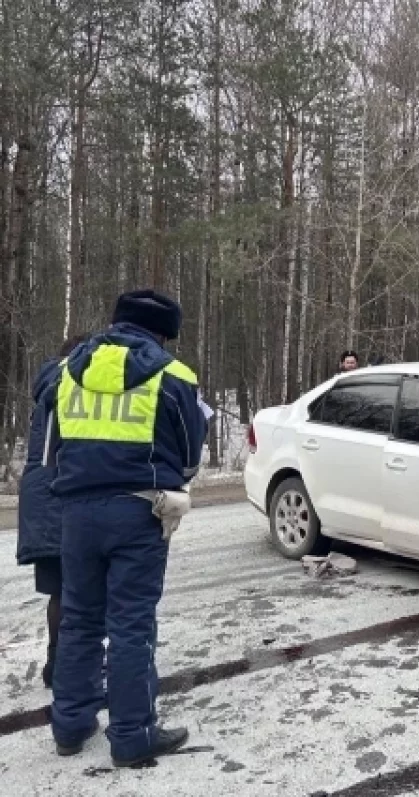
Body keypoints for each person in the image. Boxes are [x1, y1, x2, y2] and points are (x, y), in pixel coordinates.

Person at [44, 289, 208, 766]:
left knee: (79, 619)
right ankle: (133, 736)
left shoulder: (67, 370)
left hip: (76, 512)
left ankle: (71, 725)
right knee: (132, 625)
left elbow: (50, 449)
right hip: (139, 511)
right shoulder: (173, 375)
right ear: (163, 334)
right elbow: (191, 456)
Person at [16, 334, 86, 688]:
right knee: (81, 589)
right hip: (61, 494)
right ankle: (72, 667)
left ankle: (55, 663)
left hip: (37, 495)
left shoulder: (47, 385)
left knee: (60, 591)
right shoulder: (73, 386)